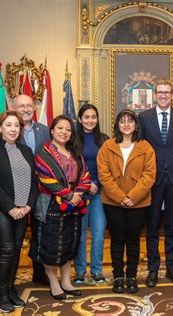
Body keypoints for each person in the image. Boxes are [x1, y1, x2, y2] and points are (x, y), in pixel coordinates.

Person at [0, 111, 38, 313]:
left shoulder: (25, 150)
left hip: (23, 209)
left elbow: (33, 180)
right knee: (7, 249)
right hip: (0, 209)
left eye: (17, 125)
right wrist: (11, 208)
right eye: (9, 125)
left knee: (15, 250)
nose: (13, 129)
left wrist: (28, 206)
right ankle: (2, 295)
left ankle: (11, 289)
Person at [30, 115, 91, 300]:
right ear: (52, 131)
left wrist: (78, 193)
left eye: (68, 130)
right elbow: (47, 179)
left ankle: (66, 281)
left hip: (73, 206)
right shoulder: (44, 152)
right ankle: (54, 282)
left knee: (68, 244)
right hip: (50, 206)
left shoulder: (75, 152)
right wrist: (69, 195)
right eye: (60, 128)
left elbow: (85, 175)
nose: (64, 132)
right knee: (51, 246)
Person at [138, 79, 173, 287]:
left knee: (171, 226)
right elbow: (141, 149)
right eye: (159, 92)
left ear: (172, 94)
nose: (163, 95)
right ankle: (153, 270)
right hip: (152, 179)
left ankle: (171, 267)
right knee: (151, 227)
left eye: (167, 92)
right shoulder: (144, 117)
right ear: (154, 95)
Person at [97, 109, 156, 293]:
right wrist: (121, 197)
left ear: (136, 125)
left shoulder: (145, 147)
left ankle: (131, 276)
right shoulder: (107, 146)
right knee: (116, 240)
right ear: (117, 125)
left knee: (133, 241)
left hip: (138, 203)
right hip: (112, 202)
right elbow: (104, 175)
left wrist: (132, 197)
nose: (126, 124)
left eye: (130, 121)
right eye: (122, 121)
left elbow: (149, 175)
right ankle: (118, 277)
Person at [12, 94, 50, 285]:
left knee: (40, 231)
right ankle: (11, 278)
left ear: (34, 107)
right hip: (16, 191)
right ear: (14, 108)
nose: (26, 109)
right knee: (16, 236)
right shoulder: (9, 131)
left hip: (42, 190)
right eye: (22, 106)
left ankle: (39, 271)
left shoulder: (44, 130)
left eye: (29, 105)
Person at [73, 104, 109, 285]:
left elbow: (110, 167)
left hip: (99, 194)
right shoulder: (72, 139)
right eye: (86, 117)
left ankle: (97, 270)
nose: (90, 120)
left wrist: (98, 184)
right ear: (80, 119)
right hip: (78, 195)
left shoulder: (104, 140)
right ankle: (79, 271)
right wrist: (85, 186)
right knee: (79, 234)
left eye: (93, 117)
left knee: (98, 232)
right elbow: (69, 167)